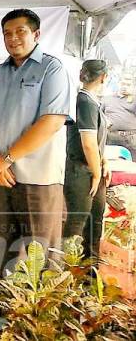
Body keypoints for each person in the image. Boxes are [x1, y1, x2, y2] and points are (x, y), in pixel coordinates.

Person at [0, 8, 71, 280]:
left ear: (36, 34)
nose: (13, 38)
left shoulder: (52, 69)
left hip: (37, 178)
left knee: (42, 250)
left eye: (20, 32)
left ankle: (38, 317)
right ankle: (1, 305)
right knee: (0, 242)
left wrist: (5, 159)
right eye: (7, 33)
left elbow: (52, 121)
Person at [64, 60, 111, 260]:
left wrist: (104, 162)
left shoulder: (91, 101)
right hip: (81, 170)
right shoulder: (84, 102)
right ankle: (64, 274)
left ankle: (90, 268)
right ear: (103, 78)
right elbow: (88, 143)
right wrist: (96, 171)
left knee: (95, 220)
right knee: (78, 221)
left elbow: (97, 142)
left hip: (92, 168)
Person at [103, 74, 136, 161]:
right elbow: (99, 115)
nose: (124, 87)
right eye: (123, 84)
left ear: (133, 86)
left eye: (128, 85)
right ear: (118, 84)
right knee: (111, 166)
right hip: (111, 137)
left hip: (130, 139)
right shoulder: (107, 99)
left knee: (131, 169)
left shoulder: (134, 99)